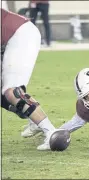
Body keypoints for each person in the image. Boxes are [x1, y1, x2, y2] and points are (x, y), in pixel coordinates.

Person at [1, 8, 62, 150]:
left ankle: (52, 132)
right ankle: (35, 121)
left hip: (20, 34)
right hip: (14, 36)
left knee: (12, 91)